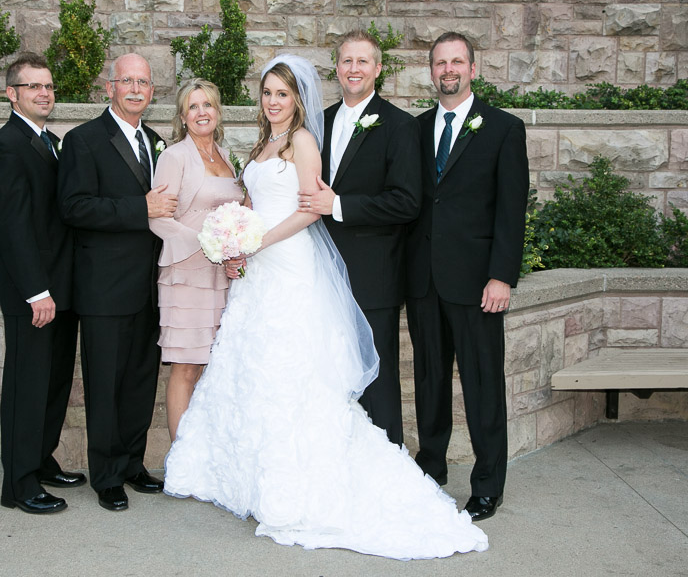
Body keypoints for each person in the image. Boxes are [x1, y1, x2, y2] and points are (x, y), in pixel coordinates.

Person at [163, 54, 488, 559]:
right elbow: (254, 200)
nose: (273, 102)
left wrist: (258, 241)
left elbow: (309, 208)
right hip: (257, 269)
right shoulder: (263, 142)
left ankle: (298, 483)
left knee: (293, 373)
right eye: (267, 93)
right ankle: (256, 477)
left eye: (282, 94)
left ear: (298, 100)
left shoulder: (303, 141)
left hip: (287, 263)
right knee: (257, 370)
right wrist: (236, 239)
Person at [406, 32, 529, 521]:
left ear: (473, 69)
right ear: (431, 70)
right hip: (424, 281)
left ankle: (486, 486)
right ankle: (431, 468)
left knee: (481, 385)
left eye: (457, 62)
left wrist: (501, 276)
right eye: (440, 63)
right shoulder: (415, 130)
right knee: (430, 381)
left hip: (479, 284)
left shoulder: (503, 128)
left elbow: (511, 210)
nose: (448, 70)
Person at [57, 53, 177, 512]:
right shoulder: (84, 141)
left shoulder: (157, 142)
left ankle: (131, 463)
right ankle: (106, 475)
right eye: (126, 80)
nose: (135, 88)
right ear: (110, 86)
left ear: (151, 90)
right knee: (105, 383)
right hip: (105, 287)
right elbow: (74, 207)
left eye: (143, 82)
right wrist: (138, 209)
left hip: (150, 286)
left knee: (140, 381)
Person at [297, 30, 421, 446]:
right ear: (337, 68)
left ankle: (389, 470)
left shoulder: (400, 126)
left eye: (362, 61)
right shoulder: (318, 122)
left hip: (373, 277)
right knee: (330, 374)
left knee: (377, 381)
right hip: (321, 275)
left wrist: (339, 205)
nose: (354, 69)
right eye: (347, 61)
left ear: (378, 69)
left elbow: (406, 203)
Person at [0, 52, 83, 514]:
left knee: (54, 382)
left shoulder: (49, 140)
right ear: (12, 94)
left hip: (60, 289)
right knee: (28, 386)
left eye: (48, 86)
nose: (44, 93)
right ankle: (19, 485)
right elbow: (13, 228)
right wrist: (36, 291)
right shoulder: (5, 147)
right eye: (34, 87)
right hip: (34, 294)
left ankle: (40, 460)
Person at [148, 79, 243, 441]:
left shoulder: (224, 156)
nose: (201, 112)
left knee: (210, 366)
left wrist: (233, 247)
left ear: (218, 112)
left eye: (208, 105)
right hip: (186, 275)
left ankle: (203, 455)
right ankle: (181, 459)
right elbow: (158, 219)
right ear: (183, 116)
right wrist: (209, 245)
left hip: (221, 277)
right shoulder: (174, 157)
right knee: (186, 367)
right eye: (193, 106)